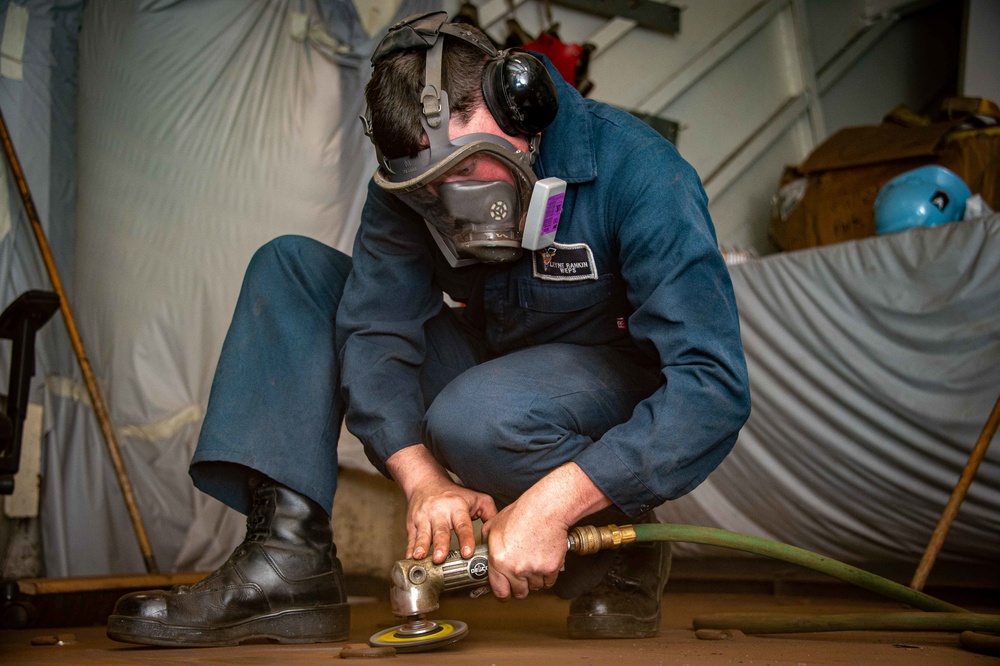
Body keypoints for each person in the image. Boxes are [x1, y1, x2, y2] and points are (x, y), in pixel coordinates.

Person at [106, 11, 750, 648]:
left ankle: (623, 545)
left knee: (477, 417)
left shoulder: (639, 171)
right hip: (490, 360)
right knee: (293, 269)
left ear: (518, 110)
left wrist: (555, 504)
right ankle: (288, 563)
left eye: (466, 175)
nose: (449, 203)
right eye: (429, 191)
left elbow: (712, 385)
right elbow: (377, 327)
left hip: (602, 382)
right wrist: (423, 481)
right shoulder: (412, 183)